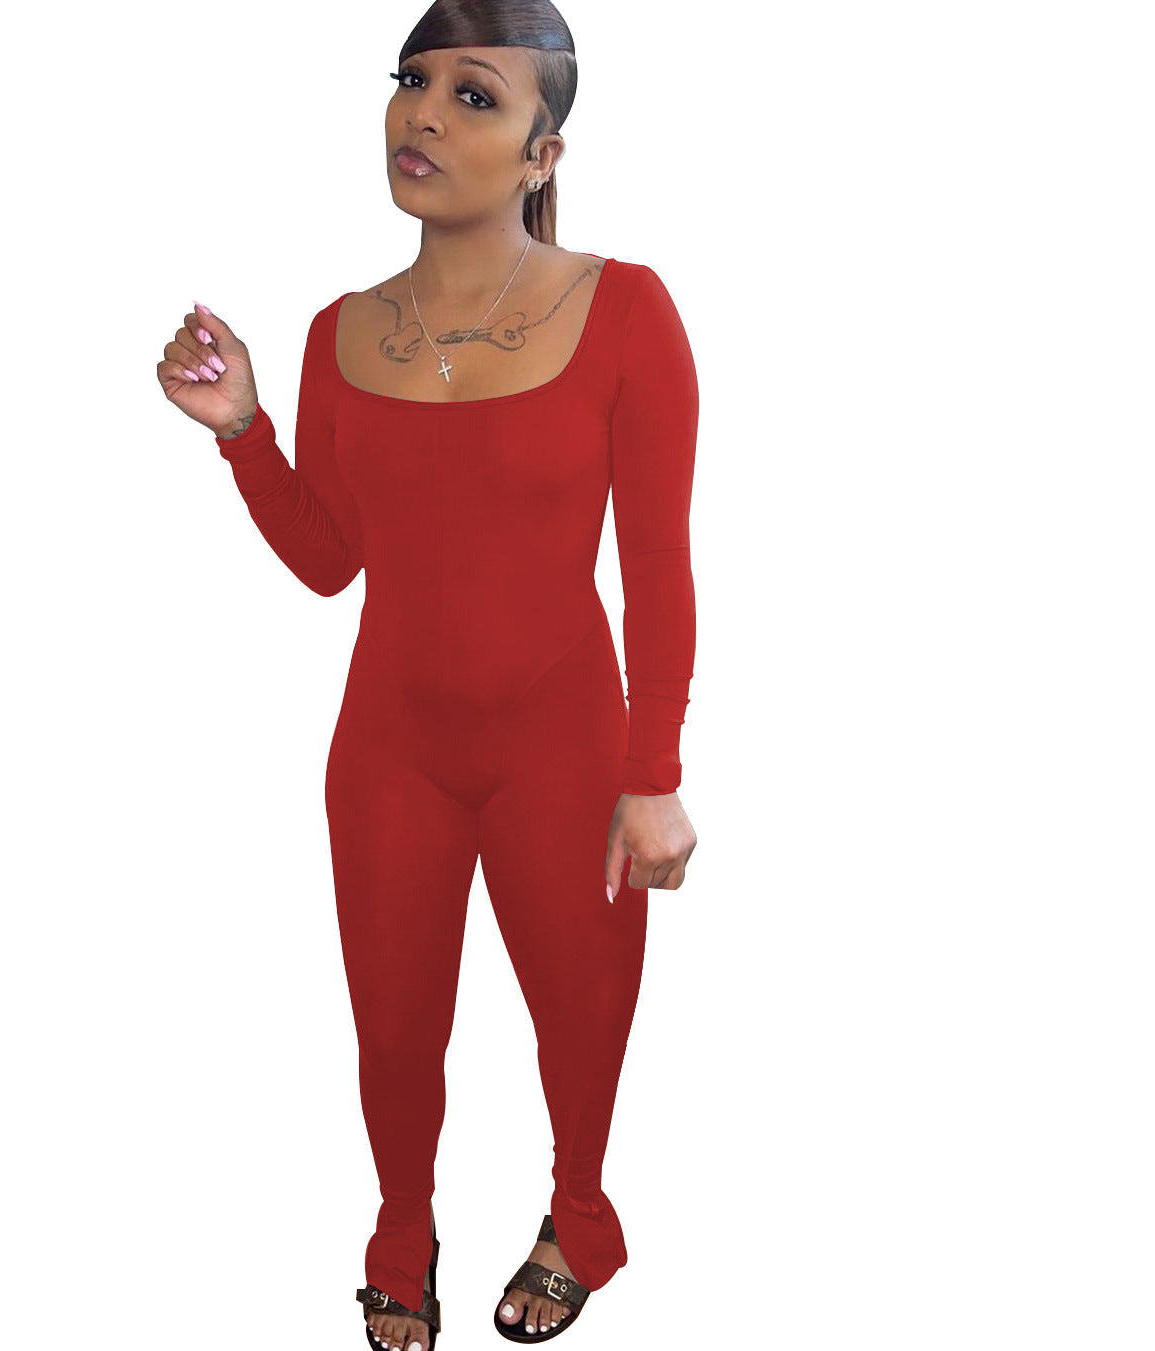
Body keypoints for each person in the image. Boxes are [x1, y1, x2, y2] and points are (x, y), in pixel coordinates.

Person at [155, 3, 698, 1346]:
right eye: (412, 80)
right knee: (394, 1030)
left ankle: (582, 1215)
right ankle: (402, 1222)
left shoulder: (626, 310)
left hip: (565, 742)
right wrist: (244, 433)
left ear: (542, 154)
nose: (422, 113)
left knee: (580, 1016)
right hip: (390, 746)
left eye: (473, 95)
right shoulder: (339, 330)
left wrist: (654, 775)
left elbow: (659, 566)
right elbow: (331, 562)